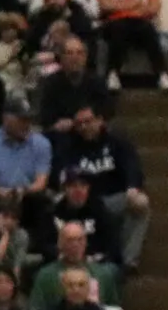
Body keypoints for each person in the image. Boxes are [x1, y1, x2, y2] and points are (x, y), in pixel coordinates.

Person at [51, 105, 150, 270]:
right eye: (79, 123)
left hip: (112, 199)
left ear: (100, 120)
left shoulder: (117, 142)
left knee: (141, 202)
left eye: (88, 122)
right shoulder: (69, 146)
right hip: (81, 200)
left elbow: (132, 167)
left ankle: (128, 260)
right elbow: (58, 173)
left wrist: (132, 187)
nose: (83, 127)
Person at [0, 96, 55, 234]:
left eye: (29, 120)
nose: (27, 124)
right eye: (22, 120)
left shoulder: (42, 144)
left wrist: (22, 191)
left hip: (27, 198)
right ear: (6, 119)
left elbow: (40, 183)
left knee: (42, 203)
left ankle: (40, 247)